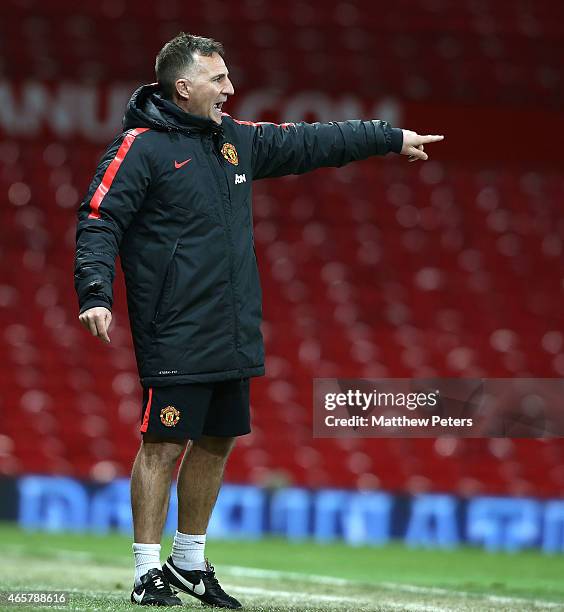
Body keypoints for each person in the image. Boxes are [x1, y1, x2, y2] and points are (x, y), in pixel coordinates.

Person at [74, 32, 444, 608]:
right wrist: (95, 290)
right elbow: (99, 218)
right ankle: (147, 571)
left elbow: (311, 142)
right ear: (184, 86)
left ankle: (189, 562)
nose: (229, 87)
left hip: (233, 323)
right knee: (164, 444)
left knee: (218, 441)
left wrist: (389, 137)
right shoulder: (140, 147)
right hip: (174, 326)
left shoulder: (234, 141)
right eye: (218, 78)